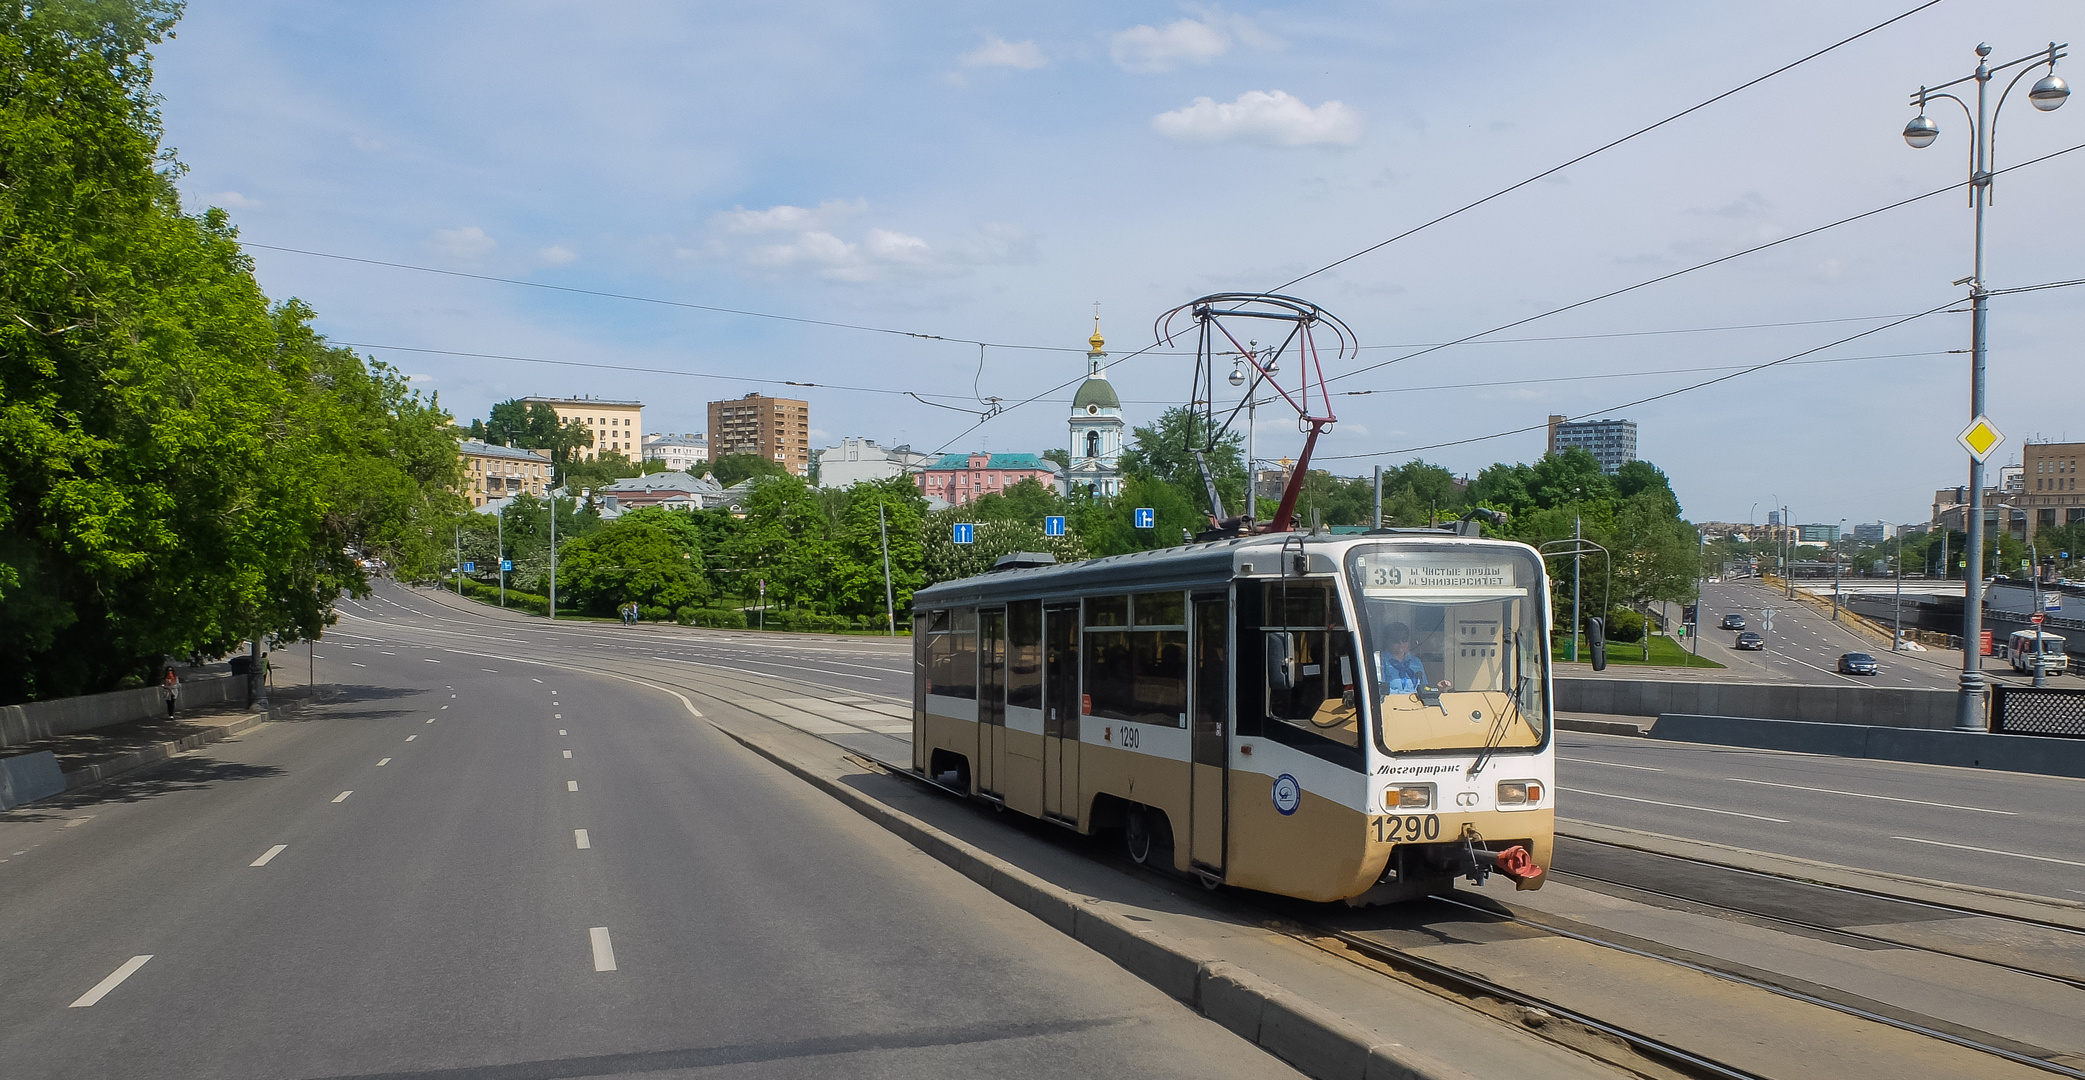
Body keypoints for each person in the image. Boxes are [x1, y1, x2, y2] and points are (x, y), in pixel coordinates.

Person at [1378, 622, 1451, 694]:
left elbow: (1424, 688)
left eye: (1404, 639)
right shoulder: (1379, 660)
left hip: (1416, 704)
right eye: (1396, 640)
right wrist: (1411, 695)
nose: (1401, 643)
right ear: (1387, 641)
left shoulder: (1416, 662)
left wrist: (1436, 688)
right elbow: (1381, 690)